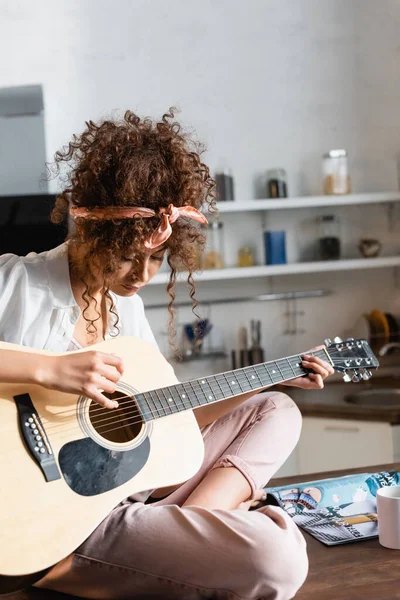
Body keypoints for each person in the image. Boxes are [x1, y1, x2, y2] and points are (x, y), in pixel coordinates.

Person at [0, 109, 334, 600]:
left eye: (156, 258)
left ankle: (188, 531)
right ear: (91, 232)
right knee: (276, 557)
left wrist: (269, 377)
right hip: (49, 524)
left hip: (124, 496)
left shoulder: (125, 311)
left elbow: (168, 426)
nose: (142, 276)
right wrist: (47, 368)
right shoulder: (16, 282)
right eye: (128, 254)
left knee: (275, 410)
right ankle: (107, 559)